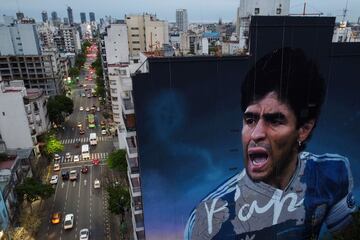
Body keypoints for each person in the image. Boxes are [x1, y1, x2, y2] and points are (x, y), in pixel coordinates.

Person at [184, 48, 356, 240]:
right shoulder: (209, 219)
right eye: (250, 120)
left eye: (275, 120)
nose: (256, 134)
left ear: (304, 129)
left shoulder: (331, 173)